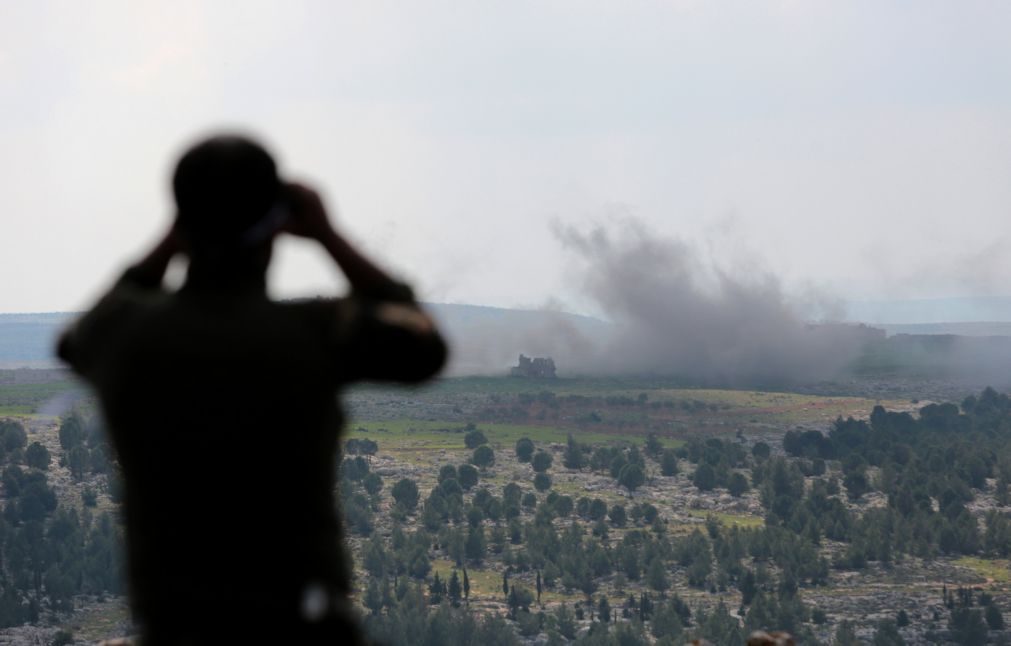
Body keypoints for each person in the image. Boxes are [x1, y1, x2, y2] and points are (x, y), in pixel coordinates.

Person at [57, 134, 447, 644]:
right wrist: (329, 236)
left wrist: (174, 236)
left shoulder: (128, 336)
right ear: (275, 229)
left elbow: (78, 340)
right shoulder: (313, 332)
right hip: (301, 624)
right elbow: (423, 347)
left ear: (181, 223)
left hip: (178, 627)